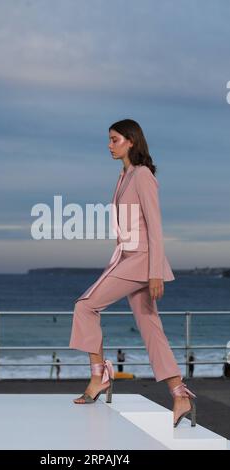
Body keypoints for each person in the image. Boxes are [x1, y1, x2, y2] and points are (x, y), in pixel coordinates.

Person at [69, 119, 197, 428]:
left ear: (131, 141)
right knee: (151, 326)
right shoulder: (124, 175)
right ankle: (179, 393)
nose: (109, 145)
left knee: (85, 306)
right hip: (127, 257)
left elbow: (155, 226)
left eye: (114, 140)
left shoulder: (142, 175)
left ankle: (99, 377)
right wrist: (117, 259)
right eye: (109, 140)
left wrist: (154, 272)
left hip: (141, 260)